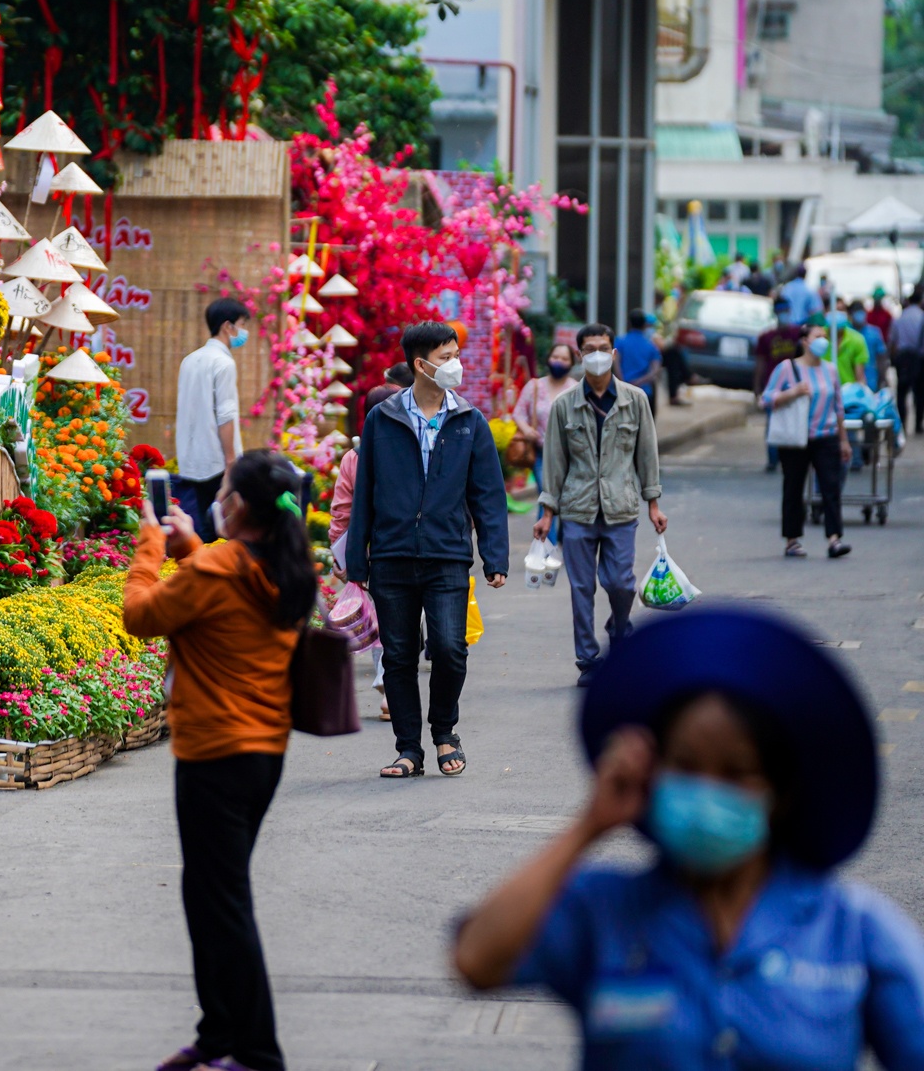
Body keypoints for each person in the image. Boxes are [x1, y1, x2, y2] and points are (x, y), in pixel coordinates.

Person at [452, 609, 924, 1070]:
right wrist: (588, 826)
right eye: (686, 767)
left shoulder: (852, 930)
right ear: (654, 775)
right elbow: (477, 960)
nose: (707, 790)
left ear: (778, 794)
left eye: (735, 774)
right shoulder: (604, 909)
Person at [126, 451, 317, 1071]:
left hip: (214, 755)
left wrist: (151, 547)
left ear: (236, 506)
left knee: (223, 903)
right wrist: (191, 548)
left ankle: (257, 1052)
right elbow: (220, 597)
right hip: (261, 753)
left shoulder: (223, 568)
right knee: (208, 895)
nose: (219, 499)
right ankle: (218, 1037)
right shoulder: (286, 564)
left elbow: (141, 616)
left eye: (226, 491)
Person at [341, 320, 509, 780]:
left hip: (447, 554)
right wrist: (357, 561)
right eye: (446, 357)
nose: (455, 364)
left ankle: (445, 732)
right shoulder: (383, 419)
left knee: (451, 648)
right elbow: (365, 494)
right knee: (397, 655)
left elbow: (487, 494)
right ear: (421, 364)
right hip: (392, 556)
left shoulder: (469, 421)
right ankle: (409, 749)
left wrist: (495, 555)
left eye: (456, 354)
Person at [535, 325, 667, 685]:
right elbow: (555, 461)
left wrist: (653, 503)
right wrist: (548, 512)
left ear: (613, 353)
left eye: (603, 347)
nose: (597, 353)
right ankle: (588, 661)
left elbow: (647, 455)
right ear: (580, 355)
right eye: (589, 348)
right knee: (581, 589)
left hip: (621, 507)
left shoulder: (634, 399)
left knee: (621, 583)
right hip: (577, 510)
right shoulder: (565, 405)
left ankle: (619, 628)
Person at [328, 378, 403, 722]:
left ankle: (387, 683)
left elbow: (341, 510)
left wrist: (339, 551)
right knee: (402, 616)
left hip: (367, 550)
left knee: (380, 613)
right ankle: (389, 683)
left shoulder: (353, 458)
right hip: (402, 547)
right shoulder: (410, 451)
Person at [760, 320, 851, 559]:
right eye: (818, 336)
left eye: (824, 336)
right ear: (804, 341)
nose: (823, 341)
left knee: (831, 488)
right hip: (795, 439)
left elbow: (838, 406)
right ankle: (792, 540)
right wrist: (792, 392)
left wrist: (843, 440)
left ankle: (834, 539)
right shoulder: (787, 368)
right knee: (794, 487)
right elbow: (766, 399)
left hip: (826, 436)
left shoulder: (830, 370)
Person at [172, 297, 250, 542]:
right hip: (217, 460)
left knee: (204, 526)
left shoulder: (190, 360)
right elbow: (225, 415)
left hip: (191, 458)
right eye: (242, 324)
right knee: (223, 528)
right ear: (228, 326)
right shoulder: (223, 363)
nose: (243, 331)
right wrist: (230, 461)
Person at [511, 341, 578, 543]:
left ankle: (564, 539)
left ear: (571, 363)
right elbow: (518, 412)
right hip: (540, 452)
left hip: (569, 454)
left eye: (564, 358)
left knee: (565, 499)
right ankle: (547, 545)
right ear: (548, 359)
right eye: (555, 357)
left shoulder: (576, 389)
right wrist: (527, 430)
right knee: (546, 495)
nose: (559, 361)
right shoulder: (535, 386)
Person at [751, 295, 805, 473]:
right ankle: (773, 459)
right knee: (773, 423)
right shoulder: (766, 337)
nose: (783, 315)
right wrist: (757, 388)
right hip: (773, 386)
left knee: (796, 420)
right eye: (780, 311)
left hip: (795, 385)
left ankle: (795, 456)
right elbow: (760, 363)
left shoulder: (798, 333)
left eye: (785, 311)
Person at [613, 311, 663, 411]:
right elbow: (655, 371)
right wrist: (640, 381)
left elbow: (615, 363)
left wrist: (623, 382)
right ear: (645, 325)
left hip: (622, 391)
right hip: (644, 392)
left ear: (629, 323)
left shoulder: (620, 342)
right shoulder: (651, 346)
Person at [655, 286, 692, 406]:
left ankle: (687, 378)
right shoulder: (652, 315)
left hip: (655, 348)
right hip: (651, 351)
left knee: (674, 354)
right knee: (674, 355)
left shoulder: (657, 314)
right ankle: (687, 377)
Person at [894, 285, 924, 433]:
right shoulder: (921, 317)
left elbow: (892, 340)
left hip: (903, 358)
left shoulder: (900, 317)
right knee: (919, 393)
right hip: (918, 359)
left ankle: (903, 424)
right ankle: (918, 424)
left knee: (901, 393)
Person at [847, 298, 887, 392]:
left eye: (861, 311)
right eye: (856, 311)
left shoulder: (874, 332)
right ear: (850, 314)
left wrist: (882, 378)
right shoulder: (846, 333)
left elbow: (881, 357)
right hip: (849, 384)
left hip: (871, 380)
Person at [830, 306, 873, 389]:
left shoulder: (857, 339)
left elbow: (860, 376)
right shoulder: (821, 337)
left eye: (841, 310)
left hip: (848, 392)